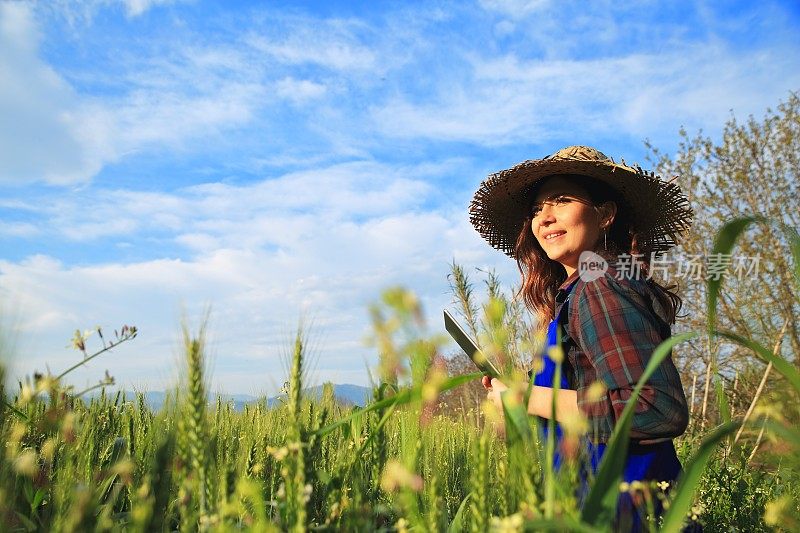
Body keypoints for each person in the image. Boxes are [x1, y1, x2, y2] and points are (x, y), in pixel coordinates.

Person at [469, 145, 693, 528]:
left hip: (620, 514)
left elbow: (655, 408)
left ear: (605, 214)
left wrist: (527, 397)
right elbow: (589, 395)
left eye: (561, 199)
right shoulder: (583, 289)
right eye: (537, 209)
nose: (545, 217)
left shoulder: (599, 283)